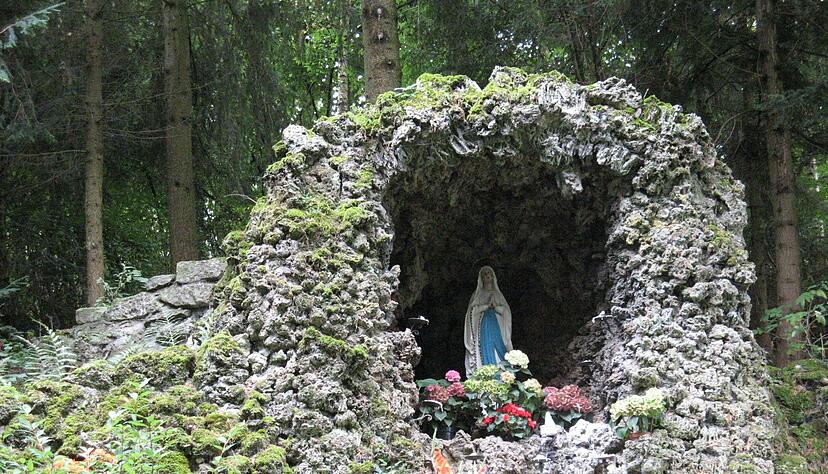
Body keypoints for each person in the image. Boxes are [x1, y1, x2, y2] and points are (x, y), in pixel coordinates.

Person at [463, 266, 513, 376]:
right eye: (485, 273)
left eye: (489, 272)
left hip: (496, 327)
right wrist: (485, 307)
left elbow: (506, 312)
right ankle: (488, 376)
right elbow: (471, 313)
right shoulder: (477, 295)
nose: (487, 275)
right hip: (483, 328)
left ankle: (503, 377)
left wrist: (496, 307)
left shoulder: (498, 295)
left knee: (499, 349)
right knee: (486, 349)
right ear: (481, 278)